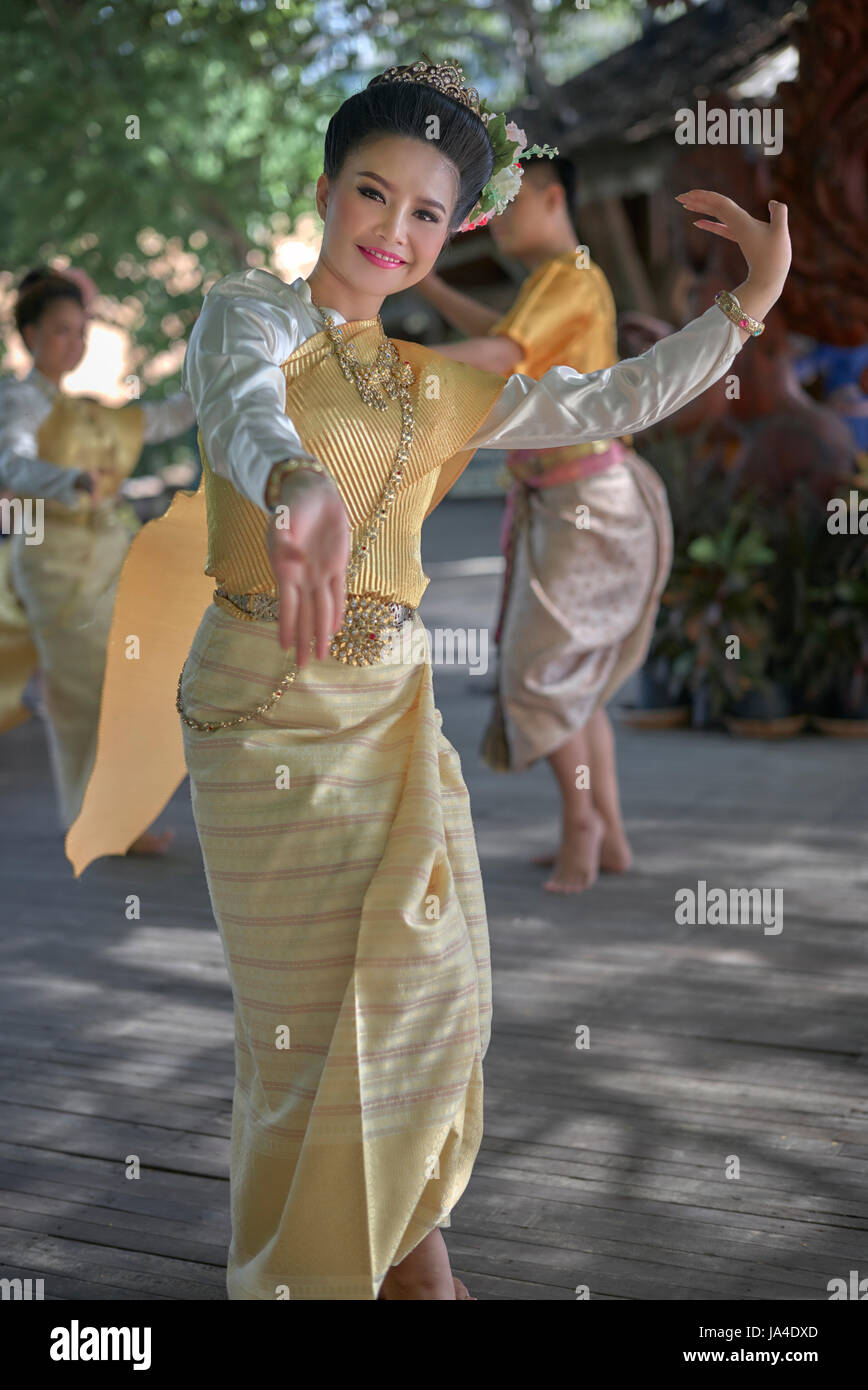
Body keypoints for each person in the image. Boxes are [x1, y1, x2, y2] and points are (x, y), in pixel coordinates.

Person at [65, 59, 790, 1299]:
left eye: (421, 212)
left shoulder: (433, 386)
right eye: (368, 192)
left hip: (392, 709)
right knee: (304, 1027)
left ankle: (411, 1278)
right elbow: (247, 412)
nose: (389, 230)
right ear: (326, 189)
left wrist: (746, 310)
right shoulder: (248, 315)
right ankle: (387, 1281)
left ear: (457, 225)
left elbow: (605, 400)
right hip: (264, 707)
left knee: (420, 998)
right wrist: (298, 491)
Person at [417, 156, 674, 892]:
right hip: (580, 497)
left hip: (583, 504)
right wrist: (428, 286)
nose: (493, 217)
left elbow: (501, 355)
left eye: (506, 200)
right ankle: (609, 832)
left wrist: (376, 362)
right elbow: (505, 335)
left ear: (554, 195)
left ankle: (582, 828)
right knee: (572, 683)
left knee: (537, 675)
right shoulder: (560, 281)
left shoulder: (568, 274)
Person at [0, 267, 196, 850]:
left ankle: (113, 814)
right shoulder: (21, 400)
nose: (74, 342)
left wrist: (216, 382)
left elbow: (156, 419)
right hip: (55, 565)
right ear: (30, 335)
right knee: (85, 691)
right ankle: (105, 820)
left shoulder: (83, 408)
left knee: (129, 679)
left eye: (80, 330)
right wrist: (67, 480)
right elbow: (10, 463)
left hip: (109, 561)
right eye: (61, 331)